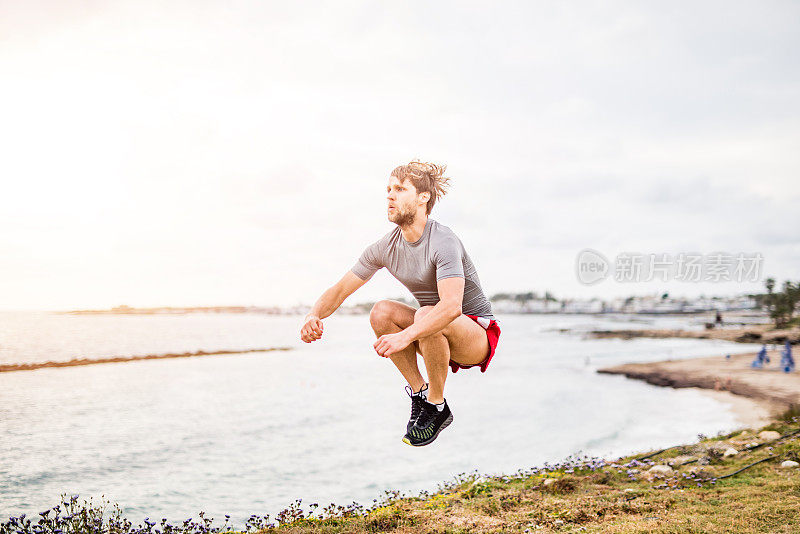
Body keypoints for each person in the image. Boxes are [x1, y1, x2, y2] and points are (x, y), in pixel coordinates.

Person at [299, 160, 501, 447]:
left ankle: (437, 406)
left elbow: (452, 306)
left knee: (427, 313)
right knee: (381, 311)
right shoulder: (385, 247)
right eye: (388, 189)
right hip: (431, 332)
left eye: (400, 189)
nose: (390, 196)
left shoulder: (443, 240)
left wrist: (405, 336)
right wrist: (313, 314)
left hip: (476, 335)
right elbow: (341, 289)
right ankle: (420, 394)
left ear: (423, 198)